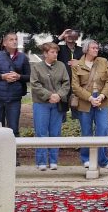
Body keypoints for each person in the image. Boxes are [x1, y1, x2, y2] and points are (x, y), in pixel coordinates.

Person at [72, 40, 108, 170]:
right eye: (93, 48)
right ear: (86, 50)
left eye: (97, 48)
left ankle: (103, 160)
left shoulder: (103, 61)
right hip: (86, 100)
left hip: (101, 99)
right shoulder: (77, 65)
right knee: (86, 131)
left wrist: (102, 96)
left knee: (103, 128)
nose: (96, 50)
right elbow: (75, 86)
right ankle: (86, 159)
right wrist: (90, 98)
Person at [30, 42, 70, 170]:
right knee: (41, 132)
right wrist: (49, 95)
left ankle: (53, 161)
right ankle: (41, 162)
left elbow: (66, 83)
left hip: (57, 104)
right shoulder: (37, 67)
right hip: (41, 104)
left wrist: (58, 95)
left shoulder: (61, 66)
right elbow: (35, 84)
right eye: (52, 52)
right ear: (45, 53)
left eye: (56, 52)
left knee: (55, 132)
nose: (55, 54)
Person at [0, 32, 30, 139]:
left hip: (14, 99)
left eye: (15, 39)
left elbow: (29, 77)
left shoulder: (23, 57)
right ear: (4, 43)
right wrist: (2, 77)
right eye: (11, 40)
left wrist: (19, 77)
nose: (14, 42)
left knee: (14, 129)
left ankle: (13, 154)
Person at [55, 29, 83, 119]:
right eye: (68, 35)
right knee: (61, 112)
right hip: (63, 83)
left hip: (77, 83)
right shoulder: (60, 49)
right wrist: (60, 36)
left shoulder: (81, 50)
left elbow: (89, 63)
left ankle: (76, 129)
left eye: (72, 35)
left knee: (77, 112)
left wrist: (79, 63)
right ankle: (61, 129)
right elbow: (49, 47)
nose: (70, 37)